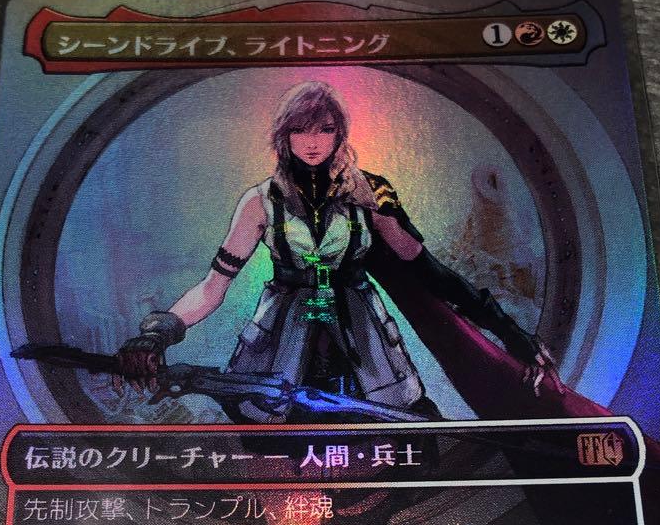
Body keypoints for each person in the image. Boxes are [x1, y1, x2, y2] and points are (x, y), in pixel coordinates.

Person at [111, 80, 552, 421]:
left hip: (363, 334)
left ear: (340, 132)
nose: (313, 141)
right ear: (284, 135)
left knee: (408, 434)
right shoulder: (260, 201)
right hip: (281, 337)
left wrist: (511, 333)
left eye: (325, 128)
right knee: (270, 436)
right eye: (301, 129)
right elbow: (213, 288)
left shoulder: (371, 192)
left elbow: (429, 272)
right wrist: (159, 332)